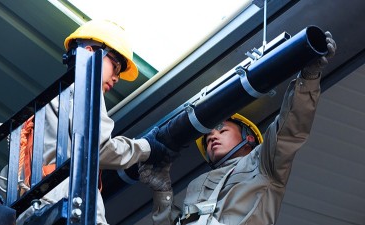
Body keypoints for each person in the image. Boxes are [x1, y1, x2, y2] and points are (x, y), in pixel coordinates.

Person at [139, 31, 336, 225]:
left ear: (249, 138)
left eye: (222, 130)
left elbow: (291, 128)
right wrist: (163, 192)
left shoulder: (263, 164)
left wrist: (309, 77)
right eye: (207, 139)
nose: (212, 137)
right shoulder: (196, 185)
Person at [0, 19, 176, 225]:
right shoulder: (85, 88)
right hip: (65, 202)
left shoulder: (52, 101)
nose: (117, 78)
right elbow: (99, 148)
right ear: (91, 52)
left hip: (33, 209)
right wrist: (146, 148)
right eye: (116, 66)